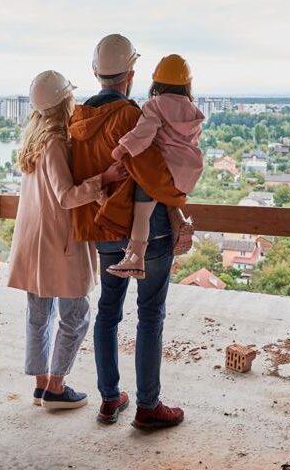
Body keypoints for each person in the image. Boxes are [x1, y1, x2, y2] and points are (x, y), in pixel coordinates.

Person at [69, 34, 187, 430]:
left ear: (95, 73)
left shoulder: (78, 119)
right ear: (131, 75)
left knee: (108, 312)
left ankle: (108, 398)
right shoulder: (131, 115)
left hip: (104, 228)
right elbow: (154, 175)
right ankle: (148, 406)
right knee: (150, 315)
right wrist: (180, 196)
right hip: (146, 233)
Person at [7, 70, 128, 410]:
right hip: (57, 241)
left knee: (38, 314)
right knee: (76, 314)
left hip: (32, 240)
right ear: (64, 102)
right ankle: (57, 388)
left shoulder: (32, 141)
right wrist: (104, 177)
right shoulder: (57, 143)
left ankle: (41, 385)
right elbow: (66, 196)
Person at [106, 54, 204, 279]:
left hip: (162, 172)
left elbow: (143, 133)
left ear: (156, 82)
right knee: (166, 197)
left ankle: (135, 258)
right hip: (186, 175)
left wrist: (121, 149)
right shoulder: (193, 111)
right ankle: (180, 221)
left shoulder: (155, 105)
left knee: (142, 210)